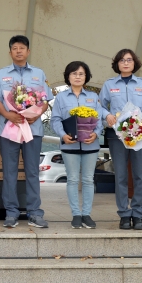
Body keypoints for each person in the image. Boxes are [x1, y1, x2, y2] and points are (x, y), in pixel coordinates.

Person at [0, 35, 53, 229]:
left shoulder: (39, 73)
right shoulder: (0, 74)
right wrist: (8, 116)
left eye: (22, 48)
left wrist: (36, 114)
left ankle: (35, 212)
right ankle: (11, 212)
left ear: (28, 51)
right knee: (9, 172)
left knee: (32, 171)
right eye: (15, 48)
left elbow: (44, 100)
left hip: (32, 129)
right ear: (10, 52)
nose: (18, 51)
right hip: (9, 129)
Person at [100, 48, 142, 231]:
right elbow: (101, 106)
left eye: (129, 60)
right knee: (120, 176)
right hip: (117, 136)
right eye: (122, 60)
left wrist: (140, 126)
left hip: (139, 135)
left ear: (134, 63)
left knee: (139, 175)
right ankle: (124, 213)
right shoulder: (108, 84)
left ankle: (138, 214)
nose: (126, 63)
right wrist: (107, 116)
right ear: (117, 64)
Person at [50, 61, 105, 229]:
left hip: (90, 145)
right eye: (74, 73)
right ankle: (75, 214)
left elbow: (100, 119)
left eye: (81, 74)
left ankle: (86, 214)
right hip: (69, 145)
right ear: (68, 77)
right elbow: (55, 119)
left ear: (86, 77)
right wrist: (63, 135)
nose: (78, 76)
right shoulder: (60, 97)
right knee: (72, 180)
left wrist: (96, 133)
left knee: (88, 180)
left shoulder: (94, 97)